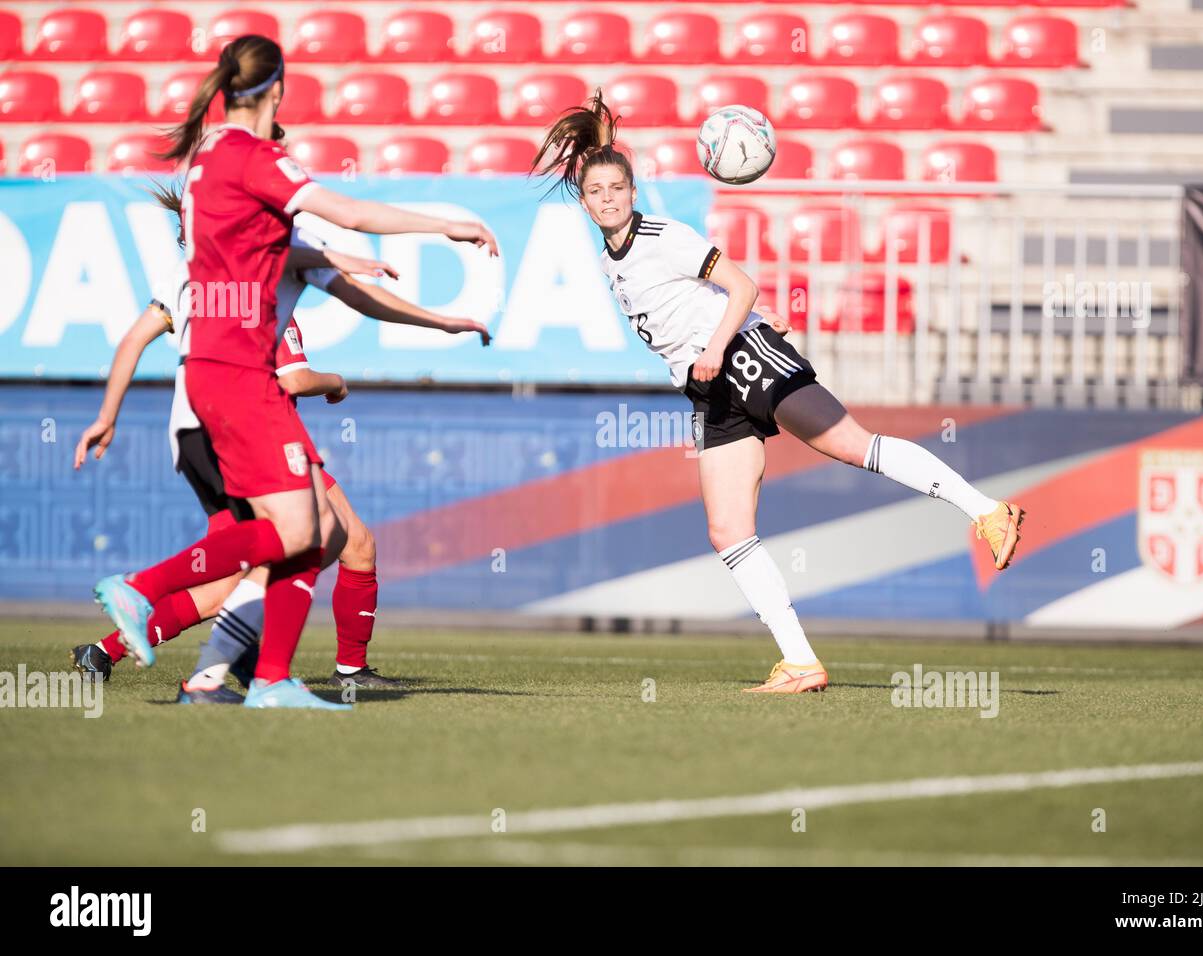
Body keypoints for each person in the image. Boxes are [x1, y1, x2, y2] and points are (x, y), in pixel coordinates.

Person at [531, 91, 1025, 694]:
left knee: (852, 445)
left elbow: (739, 284)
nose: (607, 200)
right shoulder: (612, 259)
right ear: (584, 203)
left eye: (616, 189)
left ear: (633, 193)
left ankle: (988, 513)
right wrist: (730, 337)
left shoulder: (664, 235)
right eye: (595, 193)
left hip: (738, 358)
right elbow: (708, 301)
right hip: (708, 390)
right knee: (727, 531)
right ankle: (800, 661)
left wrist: (727, 340)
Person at [91, 33, 498, 709]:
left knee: (311, 536)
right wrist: (443, 227)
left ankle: (267, 677)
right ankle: (152, 595)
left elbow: (296, 253)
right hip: (242, 373)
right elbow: (353, 212)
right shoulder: (255, 157)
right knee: (304, 534)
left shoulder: (208, 158)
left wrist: (421, 309)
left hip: (218, 370)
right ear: (277, 88)